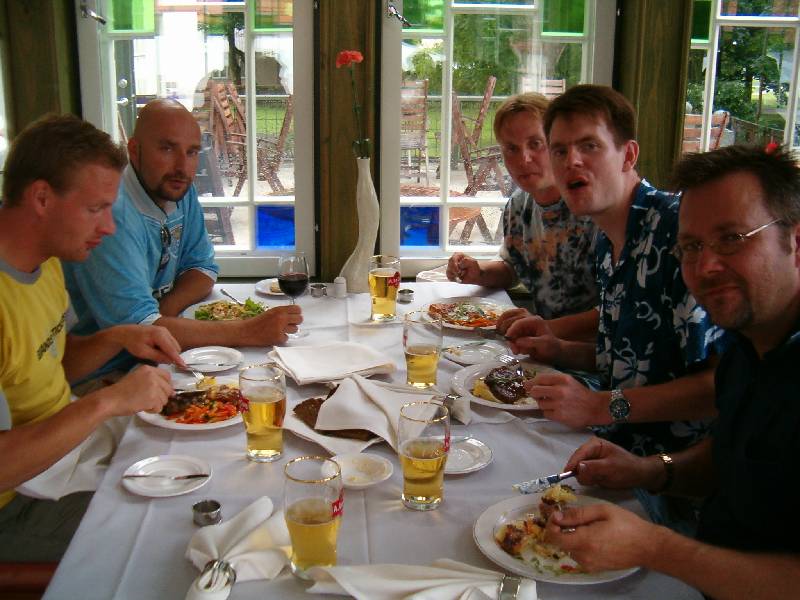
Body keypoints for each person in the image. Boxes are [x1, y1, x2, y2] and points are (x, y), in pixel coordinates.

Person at [543, 145, 800, 598]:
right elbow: (734, 461)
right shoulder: (748, 343)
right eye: (692, 246)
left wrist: (655, 547)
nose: (706, 266)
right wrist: (647, 470)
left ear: (795, 243)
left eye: (732, 238)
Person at [504, 85, 725, 459]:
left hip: (671, 468)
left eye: (589, 146)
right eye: (559, 150)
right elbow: (626, 361)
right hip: (612, 442)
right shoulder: (608, 239)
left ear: (629, 155)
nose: (571, 161)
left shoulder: (679, 231)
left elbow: (718, 386)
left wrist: (599, 406)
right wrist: (559, 349)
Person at [0, 114, 180, 560]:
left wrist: (118, 338)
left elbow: (50, 365)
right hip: (15, 504)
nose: (109, 228)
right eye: (96, 209)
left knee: (194, 463)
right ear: (42, 198)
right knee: (170, 530)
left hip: (64, 456)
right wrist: (108, 401)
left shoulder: (45, 262)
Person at [64, 99, 302, 377]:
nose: (182, 166)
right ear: (134, 150)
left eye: (191, 152)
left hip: (156, 358)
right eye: (167, 148)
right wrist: (248, 331)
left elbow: (203, 268)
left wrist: (164, 312)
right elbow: (143, 330)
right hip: (108, 374)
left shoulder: (176, 189)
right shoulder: (109, 217)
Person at [445, 92, 597, 320]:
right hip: (543, 335)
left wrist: (546, 330)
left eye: (535, 144)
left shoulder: (593, 207)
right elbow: (512, 268)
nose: (523, 158)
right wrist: (478, 272)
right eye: (511, 148)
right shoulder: (518, 204)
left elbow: (615, 311)